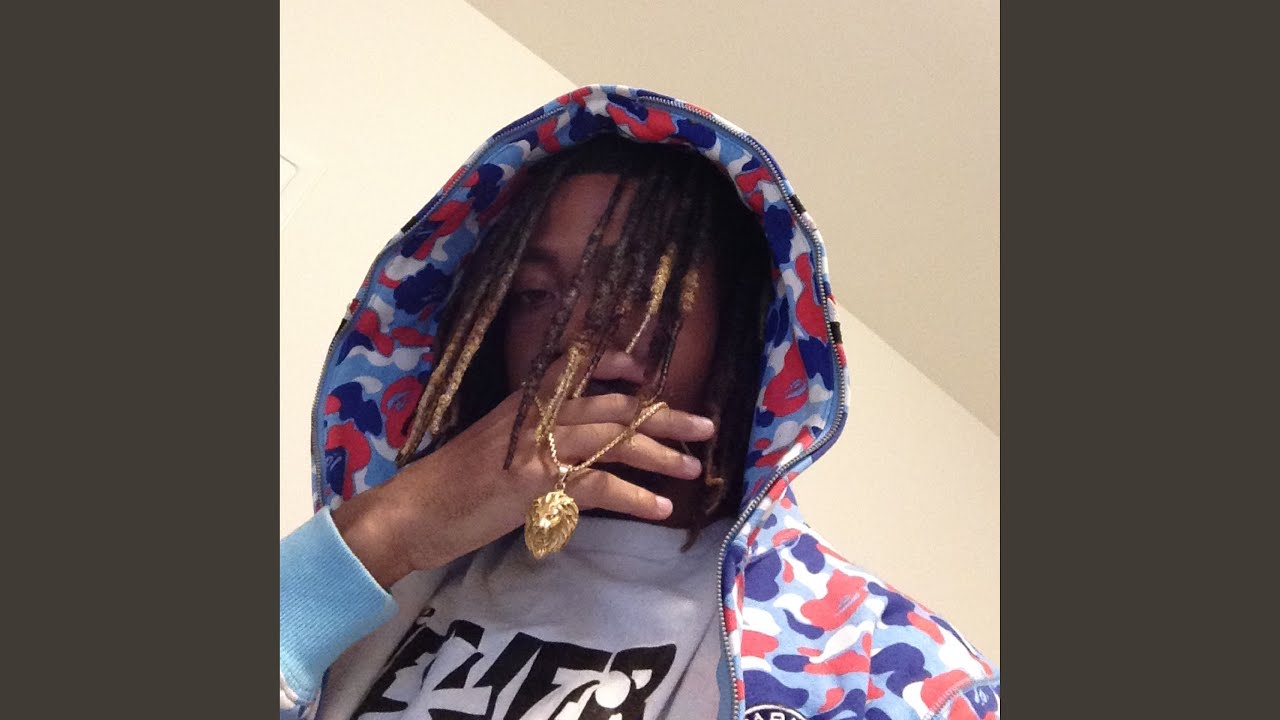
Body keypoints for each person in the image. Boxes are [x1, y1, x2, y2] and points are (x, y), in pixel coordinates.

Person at [280, 85, 1000, 720]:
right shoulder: (389, 574)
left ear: (750, 328)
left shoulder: (885, 666)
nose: (578, 332)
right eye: (533, 295)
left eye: (637, 284)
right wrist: (386, 529)